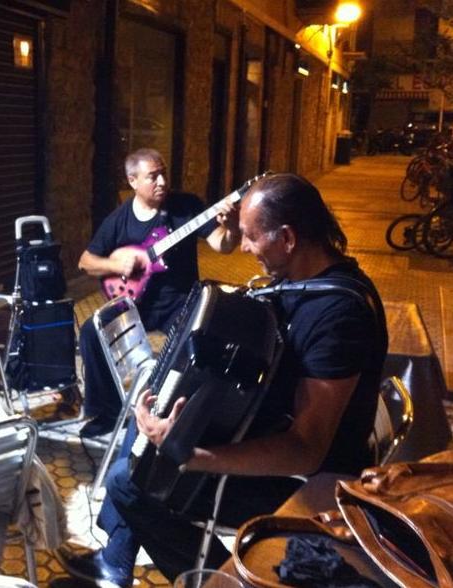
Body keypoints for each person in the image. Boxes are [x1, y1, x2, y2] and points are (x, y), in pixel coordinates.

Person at [59, 173, 389, 586]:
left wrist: (192, 455)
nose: (245, 248)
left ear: (286, 238)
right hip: (272, 440)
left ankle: (226, 579)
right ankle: (117, 558)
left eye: (251, 237)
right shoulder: (300, 283)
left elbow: (307, 450)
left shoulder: (340, 316)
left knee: (129, 482)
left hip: (311, 484)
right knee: (143, 430)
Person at [77, 148, 240, 437]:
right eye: (153, 176)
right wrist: (115, 263)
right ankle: (106, 411)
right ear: (133, 181)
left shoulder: (186, 207)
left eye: (163, 172)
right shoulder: (119, 219)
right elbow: (85, 261)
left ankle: (185, 415)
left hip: (181, 302)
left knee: (195, 346)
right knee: (92, 330)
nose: (163, 181)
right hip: (136, 303)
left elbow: (223, 245)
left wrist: (231, 225)